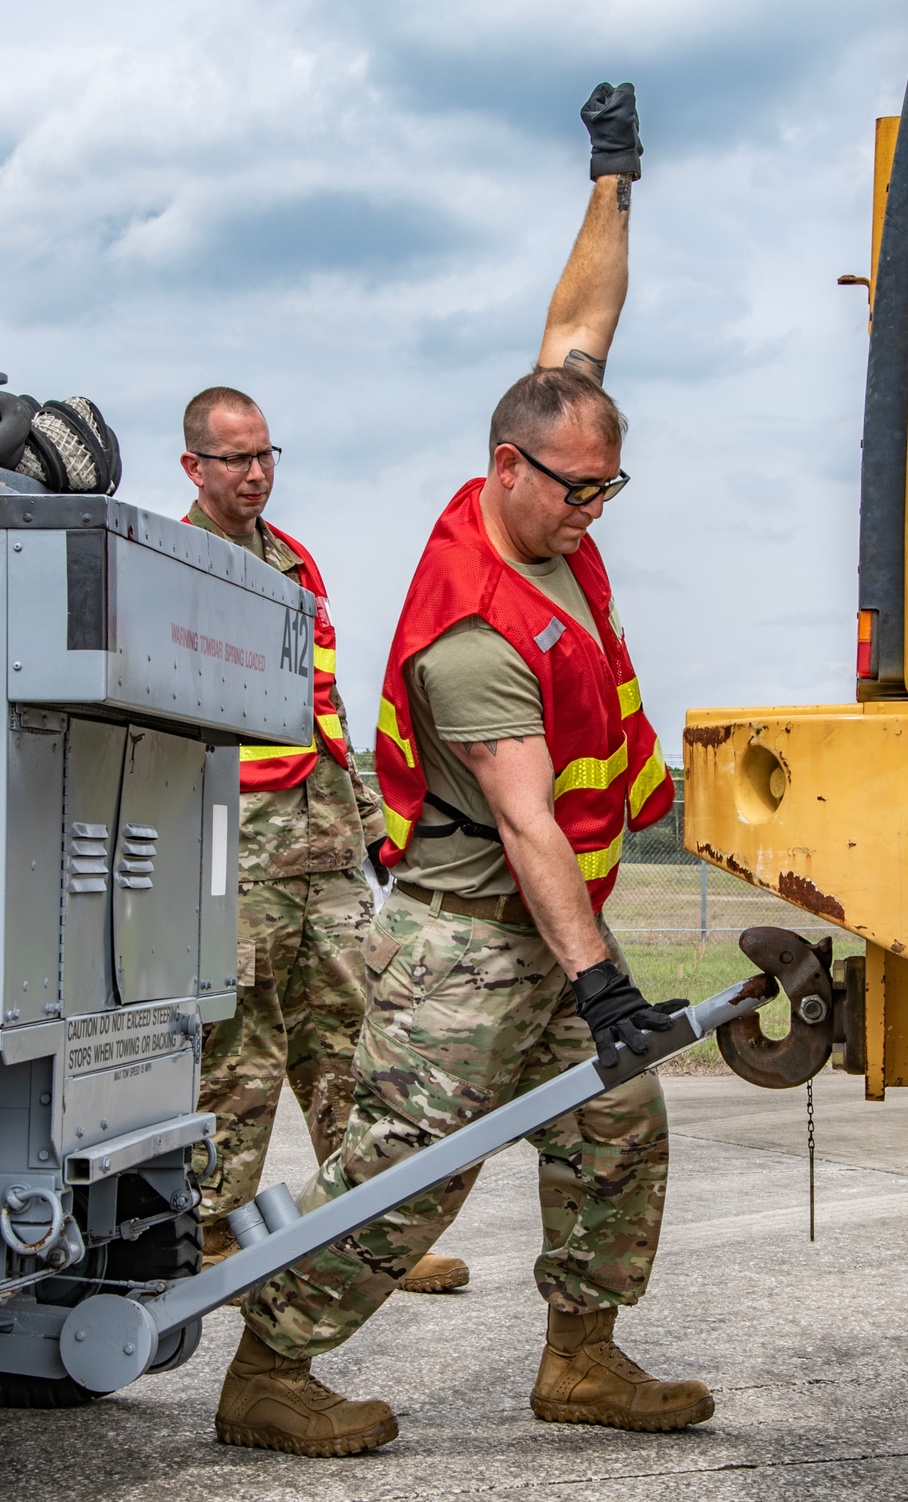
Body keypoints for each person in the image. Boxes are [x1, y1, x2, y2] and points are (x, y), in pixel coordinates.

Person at [215, 81, 713, 1460]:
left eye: (610, 487)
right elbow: (528, 824)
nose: (597, 511)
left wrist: (612, 179)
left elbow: (578, 332)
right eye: (578, 490)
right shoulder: (477, 631)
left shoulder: (554, 468)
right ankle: (269, 1369)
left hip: (547, 930)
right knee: (406, 1179)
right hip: (473, 940)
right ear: (510, 465)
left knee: (618, 1128)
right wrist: (607, 983)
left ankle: (584, 1357)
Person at [180, 390, 469, 1296]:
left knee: (354, 1043)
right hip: (232, 858)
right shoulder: (177, 564)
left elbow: (326, 714)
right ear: (194, 467)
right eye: (236, 459)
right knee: (238, 1053)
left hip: (327, 850)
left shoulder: (295, 563)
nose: (257, 474)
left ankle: (371, 1229)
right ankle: (211, 1234)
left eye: (266, 455)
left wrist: (377, 833)